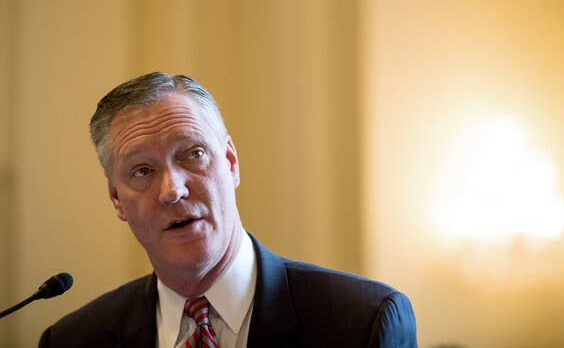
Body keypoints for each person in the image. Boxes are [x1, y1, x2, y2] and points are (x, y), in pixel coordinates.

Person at [38, 72, 417, 348]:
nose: (172, 190)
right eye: (143, 171)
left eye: (193, 154)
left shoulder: (365, 322)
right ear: (117, 199)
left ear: (231, 162)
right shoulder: (71, 340)